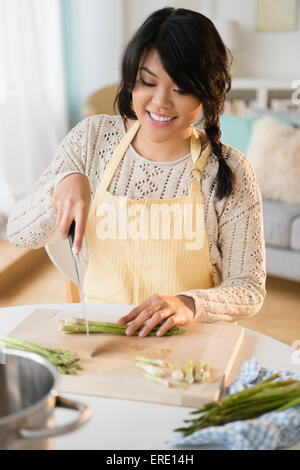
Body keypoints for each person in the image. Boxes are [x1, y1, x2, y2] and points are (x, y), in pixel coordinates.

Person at [7, 7, 266, 338]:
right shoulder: (92, 139)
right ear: (132, 81)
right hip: (102, 337)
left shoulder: (229, 170)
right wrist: (64, 181)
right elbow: (18, 232)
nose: (160, 102)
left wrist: (189, 303)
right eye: (148, 82)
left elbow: (249, 288)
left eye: (181, 88)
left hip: (187, 344)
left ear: (206, 93)